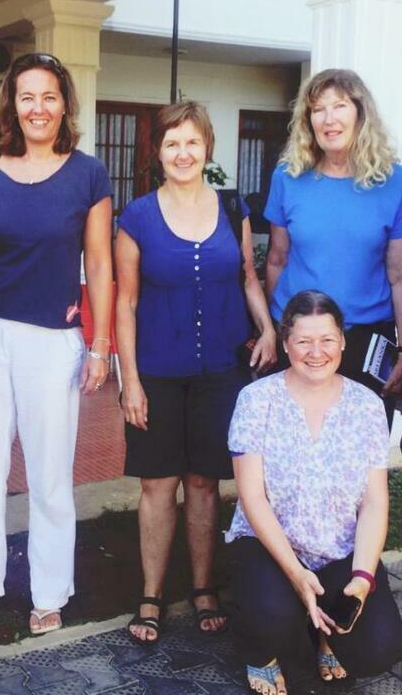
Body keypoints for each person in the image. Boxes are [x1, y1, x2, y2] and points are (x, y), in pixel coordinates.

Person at [0, 52, 113, 637]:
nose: (38, 108)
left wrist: (100, 344)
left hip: (54, 342)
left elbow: (99, 264)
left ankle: (49, 591)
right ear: (11, 104)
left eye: (49, 97)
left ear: (65, 105)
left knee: (50, 474)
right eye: (27, 97)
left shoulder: (88, 173)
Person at [114, 101, 276, 645]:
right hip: (157, 372)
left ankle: (204, 587)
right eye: (171, 143)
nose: (182, 153)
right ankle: (151, 594)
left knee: (205, 482)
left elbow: (248, 277)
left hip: (220, 372)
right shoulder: (137, 216)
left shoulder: (232, 207)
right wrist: (130, 381)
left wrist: (268, 328)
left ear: (207, 147)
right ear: (157, 152)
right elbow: (125, 303)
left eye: (192, 142)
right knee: (158, 484)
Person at [226, 290, 402, 694]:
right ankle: (261, 651)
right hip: (271, 544)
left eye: (326, 339)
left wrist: (362, 578)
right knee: (272, 617)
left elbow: (374, 500)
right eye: (303, 341)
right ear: (285, 344)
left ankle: (325, 635)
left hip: (337, 546)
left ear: (342, 341)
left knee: (377, 650)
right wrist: (296, 574)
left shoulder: (367, 405)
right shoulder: (255, 400)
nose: (316, 352)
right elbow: (252, 498)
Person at [264, 69, 402, 421]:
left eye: (339, 106)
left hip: (366, 342)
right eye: (318, 109)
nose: (329, 119)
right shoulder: (288, 177)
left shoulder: (397, 183)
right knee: (293, 442)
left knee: (360, 447)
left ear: (360, 113)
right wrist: (272, 331)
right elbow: (276, 260)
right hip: (299, 338)